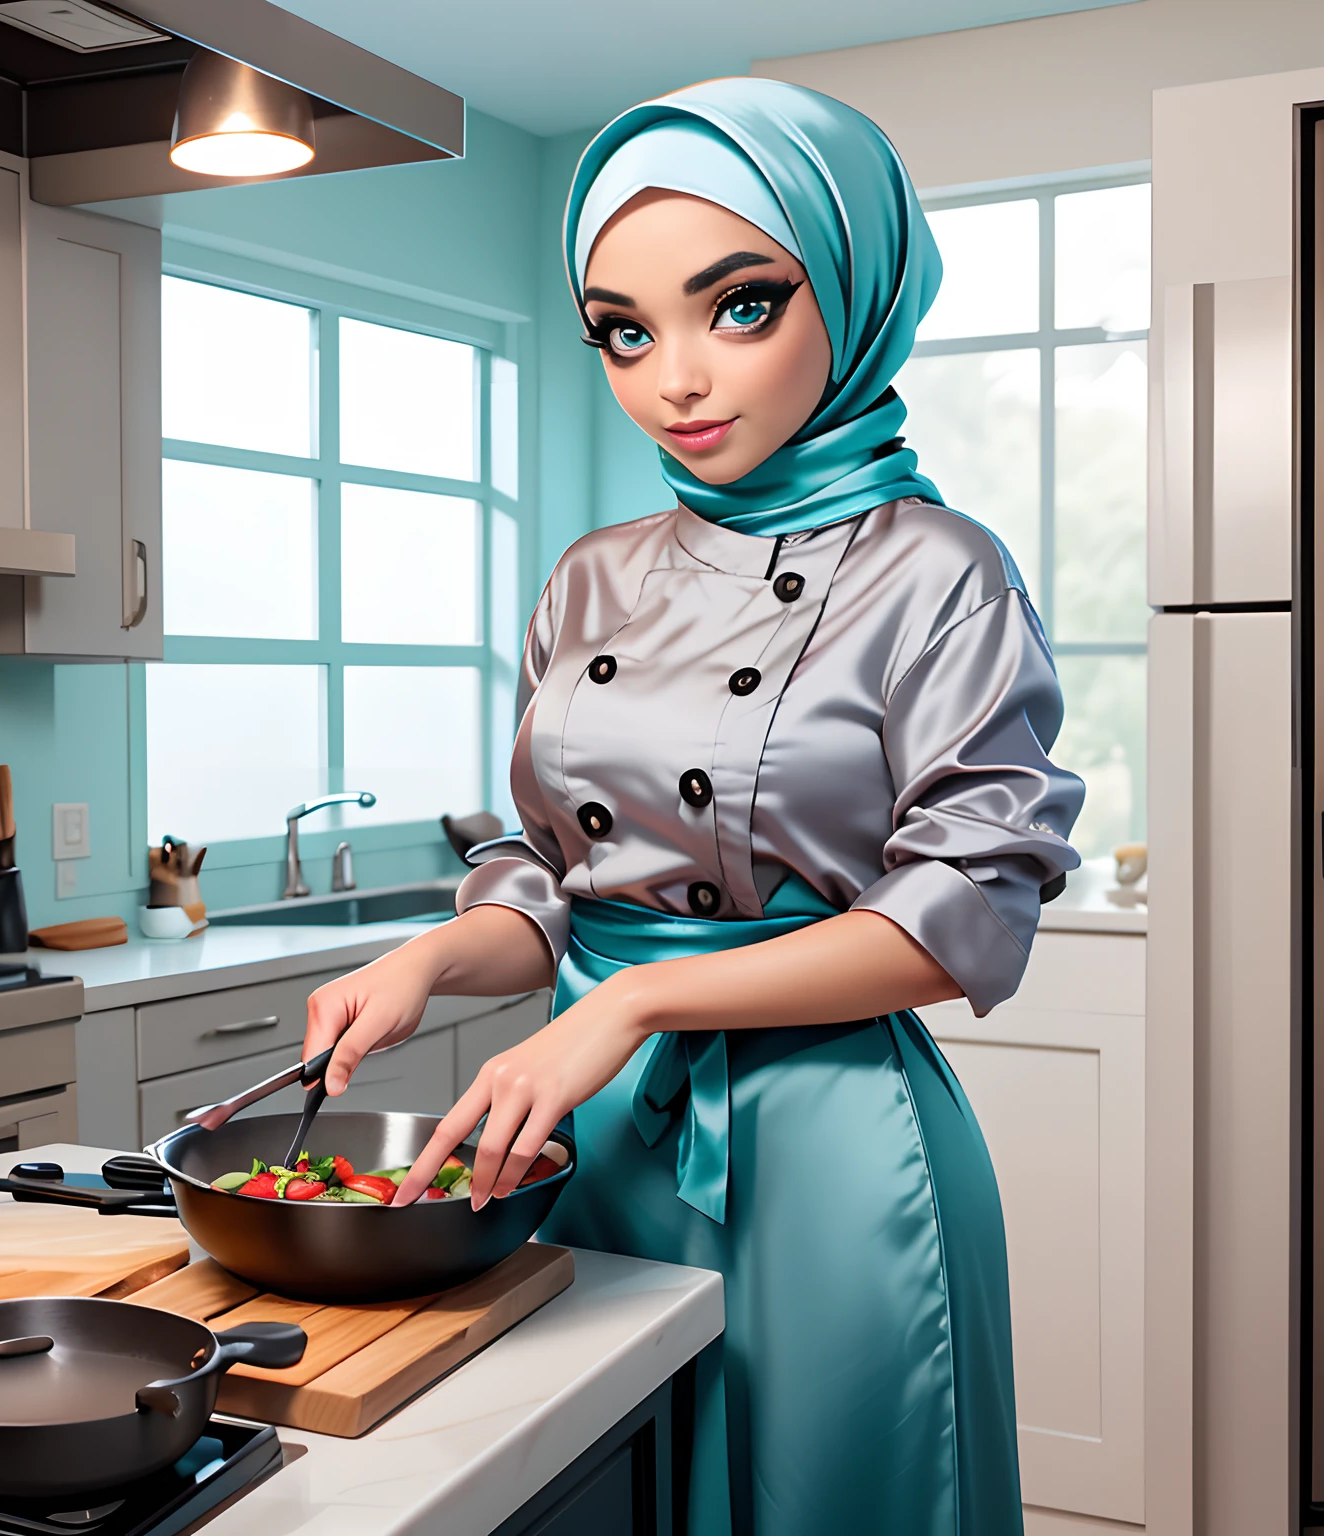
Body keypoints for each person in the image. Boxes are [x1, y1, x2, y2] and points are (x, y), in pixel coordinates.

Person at [301, 77, 1083, 1536]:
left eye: (739, 306)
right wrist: (423, 961)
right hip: (584, 1140)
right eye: (624, 329)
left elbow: (961, 911)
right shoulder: (589, 576)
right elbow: (549, 887)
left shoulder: (938, 570)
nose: (677, 378)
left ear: (855, 289)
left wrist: (638, 1012)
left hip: (825, 1145)